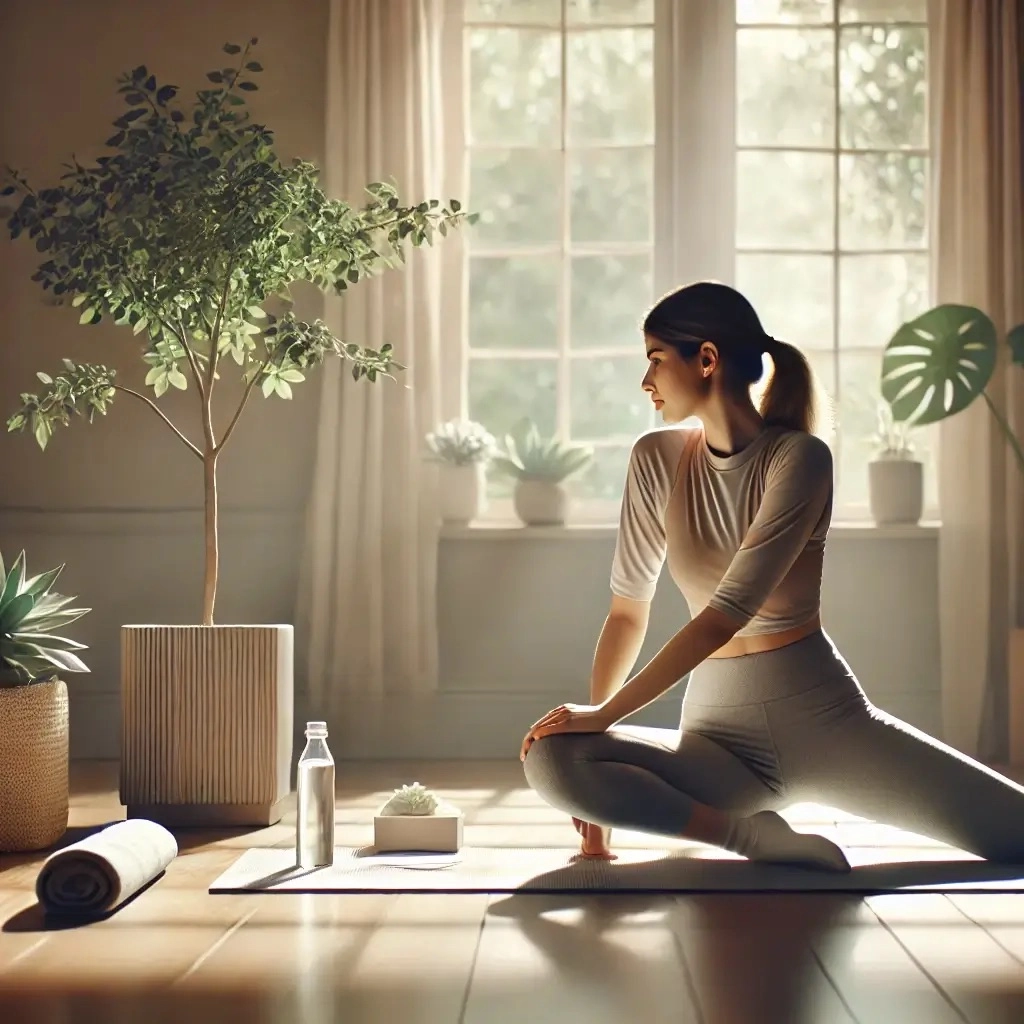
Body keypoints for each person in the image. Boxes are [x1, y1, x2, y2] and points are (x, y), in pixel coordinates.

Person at [519, 279, 1024, 870]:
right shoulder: (655, 459)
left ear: (705, 359)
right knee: (553, 758)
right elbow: (627, 612)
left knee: (1015, 832)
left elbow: (723, 617)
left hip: (826, 726)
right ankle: (751, 837)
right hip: (715, 742)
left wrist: (606, 718)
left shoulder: (800, 459)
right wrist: (594, 754)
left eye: (656, 360)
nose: (646, 380)